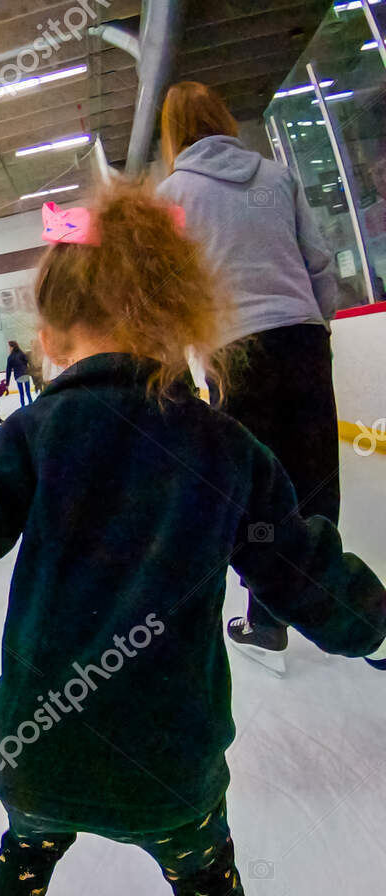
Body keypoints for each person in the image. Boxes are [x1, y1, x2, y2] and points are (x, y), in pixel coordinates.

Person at [0, 186, 386, 896]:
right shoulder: (225, 448)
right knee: (208, 879)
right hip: (173, 766)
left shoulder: (33, 436)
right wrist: (377, 628)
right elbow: (301, 568)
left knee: (23, 858)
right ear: (182, 321)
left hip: (38, 755)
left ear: (49, 339)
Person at [157, 81, 343, 675]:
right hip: (303, 339)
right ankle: (337, 599)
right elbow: (320, 261)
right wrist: (313, 319)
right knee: (316, 476)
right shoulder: (276, 176)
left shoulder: (171, 196)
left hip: (234, 351)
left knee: (258, 483)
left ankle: (268, 619)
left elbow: (172, 291)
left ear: (171, 132)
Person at [5, 340, 34, 408]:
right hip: (26, 374)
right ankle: (31, 405)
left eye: (9, 347)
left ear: (12, 347)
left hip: (18, 376)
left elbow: (8, 371)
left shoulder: (10, 357)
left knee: (21, 393)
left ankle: (23, 407)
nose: (9, 349)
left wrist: (7, 383)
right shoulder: (22, 353)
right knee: (28, 392)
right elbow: (29, 362)